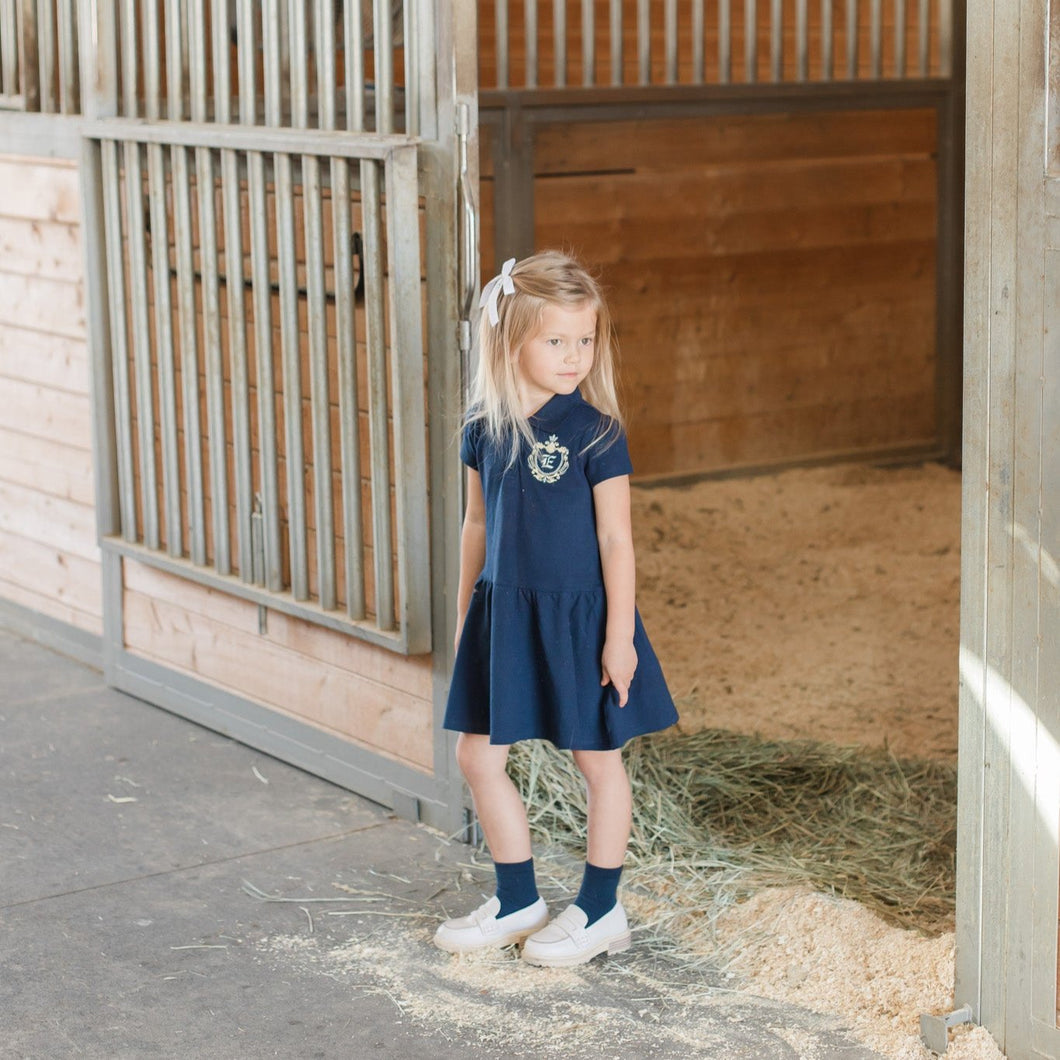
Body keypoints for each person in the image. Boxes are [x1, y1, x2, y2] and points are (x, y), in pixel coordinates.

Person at [433, 251, 678, 968]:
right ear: (511, 342)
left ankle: (600, 909)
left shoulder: (597, 433)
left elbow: (616, 538)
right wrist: (464, 618)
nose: (575, 356)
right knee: (476, 754)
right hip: (504, 616)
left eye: (586, 339)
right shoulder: (484, 427)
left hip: (578, 621)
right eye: (556, 340)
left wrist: (620, 637)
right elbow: (477, 526)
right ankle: (517, 900)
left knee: (596, 759)